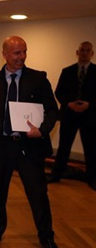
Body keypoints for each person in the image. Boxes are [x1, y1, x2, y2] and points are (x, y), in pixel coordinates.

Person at [0, 36, 59, 248]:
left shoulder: (38, 79)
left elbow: (53, 111)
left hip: (29, 147)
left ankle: (46, 236)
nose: (21, 57)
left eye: (24, 52)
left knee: (37, 193)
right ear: (5, 54)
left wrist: (41, 131)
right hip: (1, 146)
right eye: (16, 53)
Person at [47, 41, 96, 190]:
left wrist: (89, 104)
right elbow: (58, 91)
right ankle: (56, 174)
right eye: (82, 50)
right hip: (69, 114)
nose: (84, 53)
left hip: (90, 116)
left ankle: (92, 179)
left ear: (92, 53)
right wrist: (69, 103)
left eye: (88, 51)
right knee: (64, 146)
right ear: (77, 52)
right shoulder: (67, 71)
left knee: (91, 148)